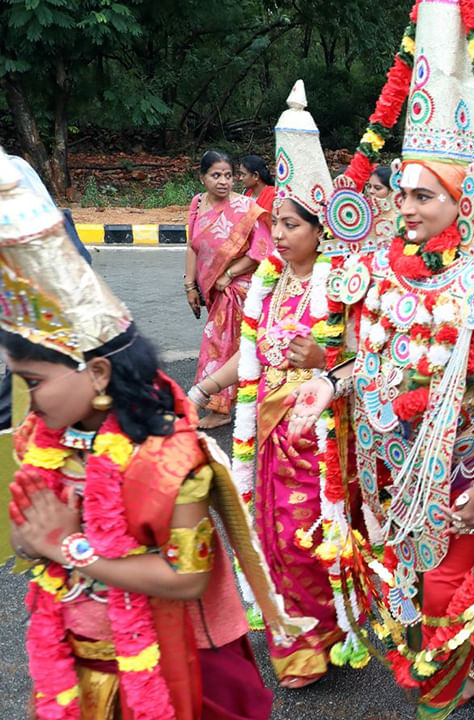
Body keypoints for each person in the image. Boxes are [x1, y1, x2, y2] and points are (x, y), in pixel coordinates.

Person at [285, 4, 474, 713]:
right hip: (389, 475)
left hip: (461, 471)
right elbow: (367, 369)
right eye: (400, 190)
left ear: (463, 202)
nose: (404, 204)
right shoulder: (374, 273)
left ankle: (452, 682)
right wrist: (330, 383)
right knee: (405, 589)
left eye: (423, 194)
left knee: (446, 589)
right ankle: (459, 672)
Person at [0, 148, 293, 719]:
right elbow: (25, 537)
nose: (25, 399)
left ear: (99, 372)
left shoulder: (167, 452)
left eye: (34, 381)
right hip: (80, 666)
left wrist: (68, 547)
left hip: (177, 660)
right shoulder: (45, 440)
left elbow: (185, 578)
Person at [190, 84, 343, 688]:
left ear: (317, 227)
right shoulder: (269, 285)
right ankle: (297, 643)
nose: (275, 235)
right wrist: (202, 391)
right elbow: (248, 357)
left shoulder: (343, 285)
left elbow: (371, 358)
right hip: (270, 437)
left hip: (319, 436)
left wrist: (326, 356)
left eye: (288, 224)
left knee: (311, 540)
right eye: (274, 223)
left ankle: (330, 631)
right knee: (272, 539)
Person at [184, 150, 272, 429]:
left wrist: (229, 274)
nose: (223, 181)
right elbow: (193, 246)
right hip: (212, 287)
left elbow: (262, 250)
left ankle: (220, 408)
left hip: (240, 287)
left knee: (221, 344)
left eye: (228, 176)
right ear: (202, 178)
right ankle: (250, 402)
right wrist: (190, 285)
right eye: (216, 175)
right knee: (234, 346)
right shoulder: (197, 204)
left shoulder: (247, 207)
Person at [363, 164, 399, 250]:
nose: (371, 191)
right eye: (369, 186)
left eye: (377, 188)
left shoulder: (399, 217)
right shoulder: (363, 213)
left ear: (391, 190)